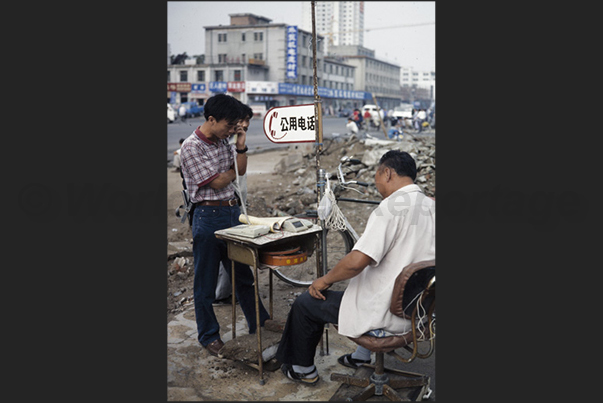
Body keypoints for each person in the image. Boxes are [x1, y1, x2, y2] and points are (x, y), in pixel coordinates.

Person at [275, 150, 435, 384]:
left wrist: (324, 280)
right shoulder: (431, 205)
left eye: (377, 176)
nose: (376, 183)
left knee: (306, 303)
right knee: (372, 285)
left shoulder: (390, 208)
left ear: (387, 173)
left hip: (388, 314)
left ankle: (302, 370)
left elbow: (357, 261)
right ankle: (362, 357)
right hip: (421, 311)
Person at [179, 93, 272, 357]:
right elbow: (218, 182)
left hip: (232, 215)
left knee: (243, 275)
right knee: (205, 283)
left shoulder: (224, 141)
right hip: (207, 218)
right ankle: (208, 335)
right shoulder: (191, 147)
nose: (232, 130)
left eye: (235, 128)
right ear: (211, 119)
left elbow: (239, 171)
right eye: (230, 126)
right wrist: (230, 173)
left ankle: (260, 322)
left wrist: (240, 143)